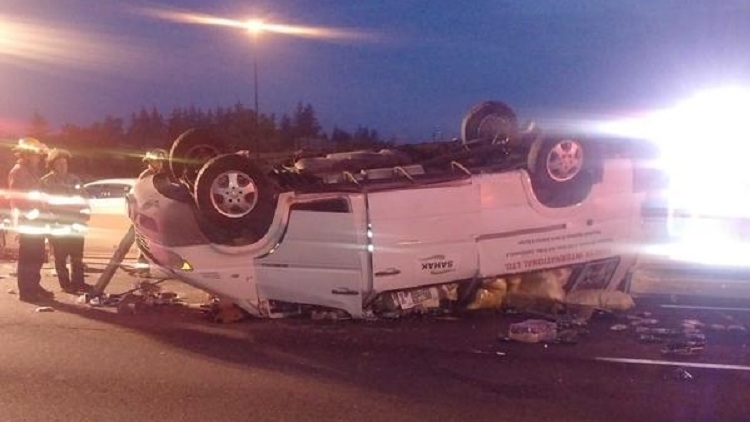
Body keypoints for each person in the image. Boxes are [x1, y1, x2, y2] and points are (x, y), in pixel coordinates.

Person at [8, 137, 54, 303]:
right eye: (36, 155)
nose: (39, 158)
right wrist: (30, 213)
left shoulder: (31, 171)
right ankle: (26, 290)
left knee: (37, 254)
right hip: (28, 221)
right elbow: (17, 197)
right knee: (28, 255)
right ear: (27, 155)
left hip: (37, 220)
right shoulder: (18, 171)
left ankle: (34, 285)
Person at [41, 148, 91, 294]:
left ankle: (79, 282)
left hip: (76, 224)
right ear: (52, 165)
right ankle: (65, 284)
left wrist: (85, 214)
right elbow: (43, 204)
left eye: (65, 163)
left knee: (77, 256)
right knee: (60, 257)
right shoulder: (46, 182)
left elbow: (83, 197)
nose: (63, 166)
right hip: (58, 225)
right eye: (59, 163)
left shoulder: (74, 179)